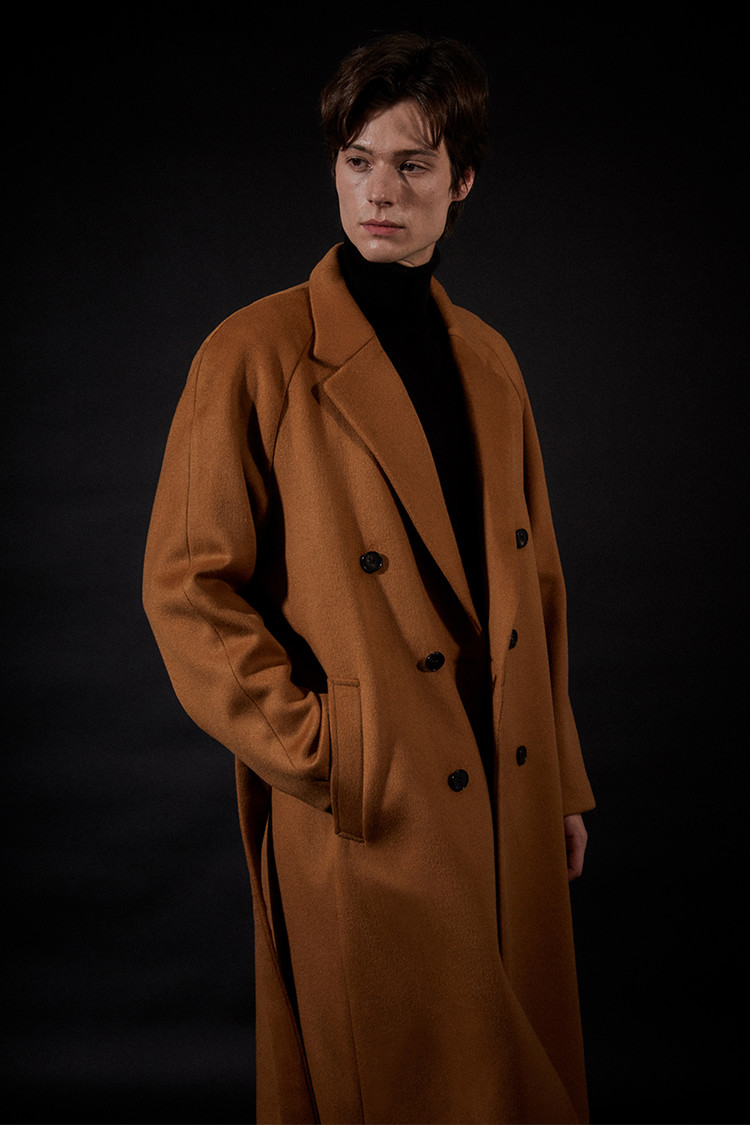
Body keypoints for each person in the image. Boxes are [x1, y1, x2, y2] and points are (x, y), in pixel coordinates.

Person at [143, 31, 595, 1125]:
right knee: (396, 1083)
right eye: (357, 160)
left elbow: (536, 586)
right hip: (374, 797)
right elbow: (189, 586)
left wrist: (563, 784)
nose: (378, 191)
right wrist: (329, 752)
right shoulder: (254, 352)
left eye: (411, 164)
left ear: (462, 181)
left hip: (505, 782)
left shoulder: (490, 360)